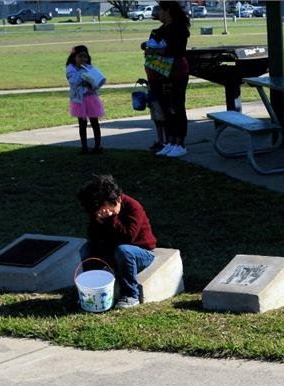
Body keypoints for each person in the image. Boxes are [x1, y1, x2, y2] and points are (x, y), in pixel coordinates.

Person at [77, 174, 156, 308]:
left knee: (123, 250)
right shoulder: (97, 211)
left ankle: (131, 294)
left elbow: (128, 237)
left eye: (104, 208)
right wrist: (98, 222)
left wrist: (111, 219)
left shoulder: (133, 207)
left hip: (139, 252)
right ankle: (92, 288)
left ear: (117, 200)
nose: (101, 212)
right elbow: (93, 237)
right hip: (113, 250)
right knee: (86, 248)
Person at [142, 1, 191, 157]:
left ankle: (180, 143)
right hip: (159, 73)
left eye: (160, 10)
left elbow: (175, 50)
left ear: (168, 11)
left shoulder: (179, 29)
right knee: (165, 107)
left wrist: (155, 51)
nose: (158, 13)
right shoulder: (162, 29)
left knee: (176, 106)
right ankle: (170, 142)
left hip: (175, 72)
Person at [65, 45, 105, 155]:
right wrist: (84, 78)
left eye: (85, 57)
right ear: (74, 57)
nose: (83, 59)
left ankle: (98, 146)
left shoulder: (90, 68)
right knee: (82, 123)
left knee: (94, 122)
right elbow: (73, 81)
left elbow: (96, 82)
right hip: (79, 100)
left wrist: (92, 83)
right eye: (80, 56)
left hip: (91, 98)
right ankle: (84, 147)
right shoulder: (70, 68)